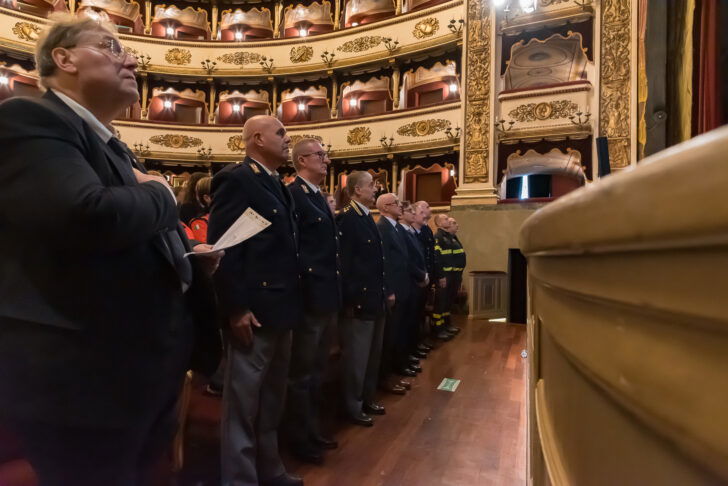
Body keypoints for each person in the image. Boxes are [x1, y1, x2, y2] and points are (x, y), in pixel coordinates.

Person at [0, 15, 221, 486]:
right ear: (64, 59)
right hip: (81, 382)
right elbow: (87, 216)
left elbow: (127, 232)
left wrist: (186, 257)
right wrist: (162, 191)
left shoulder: (115, 148)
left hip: (135, 372)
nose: (134, 58)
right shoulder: (29, 118)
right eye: (111, 46)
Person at [208, 115, 303, 486]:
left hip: (282, 309)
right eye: (280, 132)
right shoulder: (237, 179)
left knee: (271, 402)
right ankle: (240, 479)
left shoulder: (277, 183)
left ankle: (270, 470)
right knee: (243, 407)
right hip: (254, 312)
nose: (287, 138)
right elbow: (225, 250)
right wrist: (236, 309)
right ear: (257, 139)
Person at [284, 138, 341, 464]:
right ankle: (298, 439)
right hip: (309, 298)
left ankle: (312, 430)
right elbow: (297, 250)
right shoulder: (295, 195)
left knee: (317, 371)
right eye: (321, 155)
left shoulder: (317, 196)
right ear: (303, 160)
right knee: (301, 374)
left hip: (325, 297)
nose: (327, 160)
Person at [336, 171, 389, 426]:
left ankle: (367, 398)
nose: (375, 189)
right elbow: (346, 266)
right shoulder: (348, 219)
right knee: (356, 359)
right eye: (371, 185)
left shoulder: (367, 216)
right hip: (359, 301)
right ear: (357, 190)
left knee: (371, 356)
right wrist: (351, 301)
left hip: (374, 299)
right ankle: (352, 405)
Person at [376, 194, 423, 383]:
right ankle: (388, 373)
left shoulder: (395, 227)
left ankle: (400, 363)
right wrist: (389, 290)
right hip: (394, 288)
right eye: (396, 203)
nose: (400, 207)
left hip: (404, 286)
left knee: (401, 329)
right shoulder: (383, 228)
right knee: (392, 334)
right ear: (386, 208)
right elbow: (385, 261)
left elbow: (405, 258)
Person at [397, 202, 429, 370]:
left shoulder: (410, 232)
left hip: (416, 282)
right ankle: (404, 358)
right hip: (410, 282)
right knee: (406, 324)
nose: (412, 213)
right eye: (409, 211)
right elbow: (407, 259)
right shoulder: (401, 232)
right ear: (401, 214)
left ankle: (410, 353)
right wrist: (421, 274)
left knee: (413, 321)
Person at [433, 214, 457, 341]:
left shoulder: (448, 236)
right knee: (440, 304)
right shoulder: (438, 237)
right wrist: (441, 275)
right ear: (439, 223)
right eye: (445, 219)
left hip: (450, 274)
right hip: (443, 275)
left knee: (446, 302)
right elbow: (437, 258)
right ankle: (438, 329)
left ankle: (445, 326)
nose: (449, 220)